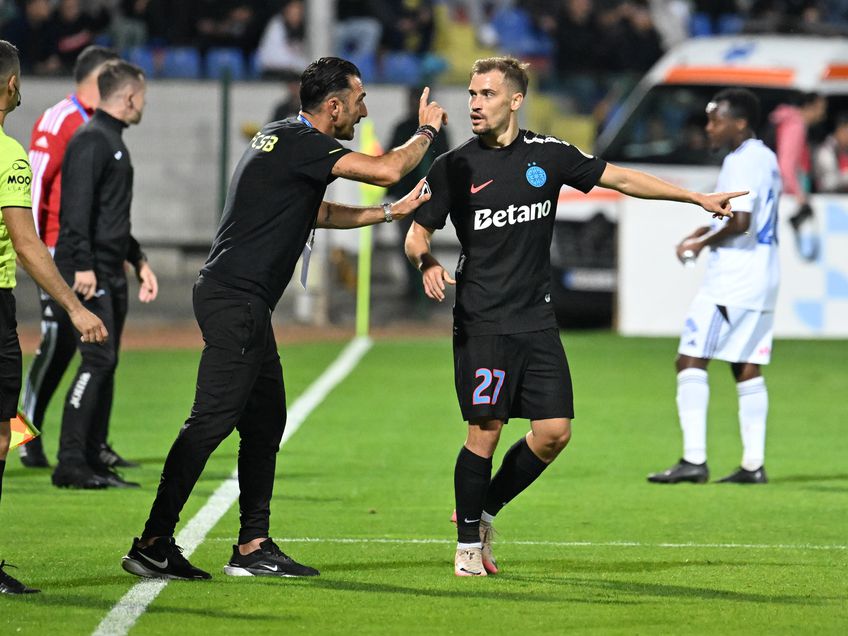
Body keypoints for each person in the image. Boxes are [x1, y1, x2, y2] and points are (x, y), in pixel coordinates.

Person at [404, 56, 743, 577]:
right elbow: (416, 231)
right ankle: (468, 545)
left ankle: (482, 510)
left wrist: (695, 198)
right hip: (483, 320)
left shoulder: (550, 156)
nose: (474, 104)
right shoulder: (456, 166)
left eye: (486, 94)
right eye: (471, 94)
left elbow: (623, 178)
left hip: (535, 319)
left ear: (515, 100)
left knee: (554, 432)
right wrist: (427, 260)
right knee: (485, 432)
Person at [122, 56, 447, 581]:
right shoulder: (304, 144)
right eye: (359, 101)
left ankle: (252, 546)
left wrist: (388, 212)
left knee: (266, 420)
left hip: (239, 299)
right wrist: (426, 129)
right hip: (237, 300)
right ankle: (154, 542)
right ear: (334, 105)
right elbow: (388, 168)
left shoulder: (278, 138)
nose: (363, 113)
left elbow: (316, 212)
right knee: (210, 421)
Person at [0, 39, 107, 596]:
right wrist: (74, 306)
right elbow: (25, 242)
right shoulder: (9, 154)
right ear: (12, 87)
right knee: (1, 435)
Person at [648, 88, 781, 487]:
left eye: (715, 120)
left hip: (733, 281)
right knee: (746, 366)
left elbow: (740, 222)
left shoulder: (740, 162)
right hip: (763, 273)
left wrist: (698, 243)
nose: (710, 128)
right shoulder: (767, 158)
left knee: (690, 359)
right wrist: (706, 228)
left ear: (738, 122)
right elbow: (745, 217)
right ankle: (753, 464)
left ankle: (693, 460)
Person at [50, 59, 159, 490]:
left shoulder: (110, 141)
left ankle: (93, 456)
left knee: (107, 363)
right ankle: (70, 463)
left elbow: (111, 218)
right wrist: (82, 266)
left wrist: (138, 259)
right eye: (142, 98)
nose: (142, 105)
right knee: (97, 359)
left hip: (110, 269)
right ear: (130, 97)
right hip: (89, 272)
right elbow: (74, 211)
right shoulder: (91, 140)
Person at [17, 45, 119, 470]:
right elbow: (35, 188)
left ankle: (94, 442)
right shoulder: (61, 120)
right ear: (98, 79)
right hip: (57, 250)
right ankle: (23, 435)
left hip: (89, 255)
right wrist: (39, 251)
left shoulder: (98, 123)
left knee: (94, 347)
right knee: (57, 344)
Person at [386, 86, 450, 312]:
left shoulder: (439, 130)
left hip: (428, 198)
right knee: (408, 245)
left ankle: (430, 288)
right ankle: (414, 288)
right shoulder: (402, 128)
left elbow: (445, 161)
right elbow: (389, 162)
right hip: (405, 198)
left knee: (424, 243)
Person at [769, 91, 826, 260]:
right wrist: (798, 194)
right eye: (821, 108)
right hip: (784, 194)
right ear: (810, 106)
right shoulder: (795, 125)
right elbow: (786, 165)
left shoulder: (786, 122)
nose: (823, 114)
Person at [813, 112, 848, 193]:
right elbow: (826, 183)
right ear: (840, 129)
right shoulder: (826, 151)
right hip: (825, 199)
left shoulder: (843, 150)